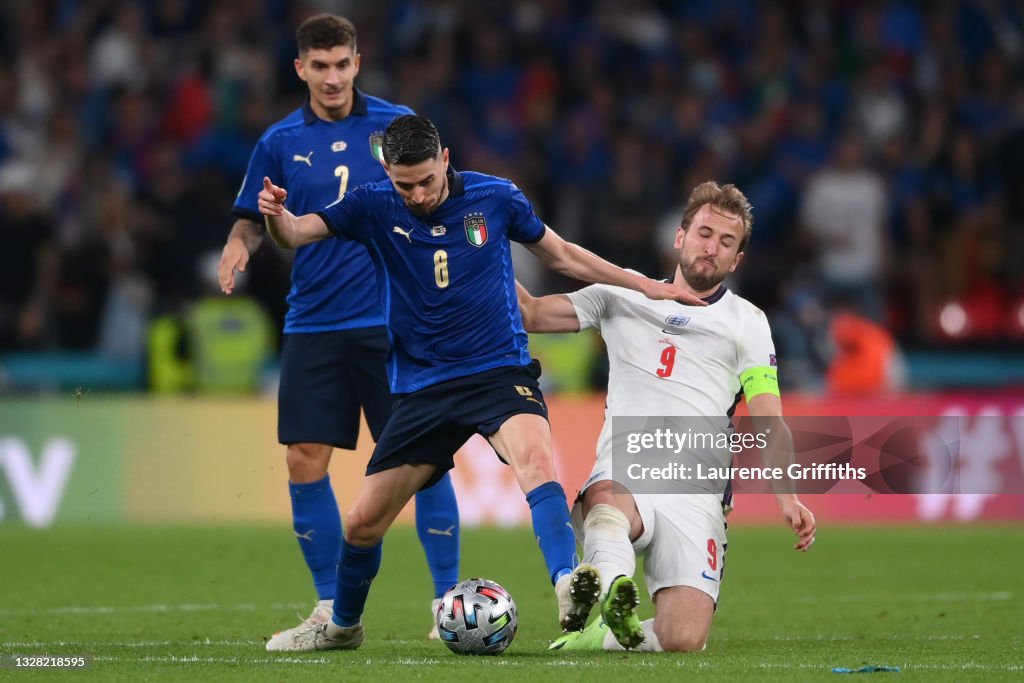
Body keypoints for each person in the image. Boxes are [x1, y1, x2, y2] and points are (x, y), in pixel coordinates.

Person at [257, 114, 706, 651]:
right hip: (423, 387)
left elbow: (561, 254)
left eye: (427, 180)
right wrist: (275, 216)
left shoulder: (497, 197)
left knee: (537, 461)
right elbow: (296, 233)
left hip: (498, 371)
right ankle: (342, 627)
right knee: (362, 525)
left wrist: (642, 285)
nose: (419, 195)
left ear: (445, 159)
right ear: (387, 172)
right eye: (406, 184)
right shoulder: (373, 204)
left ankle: (568, 586)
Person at [216, 15, 460, 647]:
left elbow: (439, 197)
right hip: (314, 322)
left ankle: (447, 603)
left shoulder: (395, 127)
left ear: (358, 63)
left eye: (341, 64)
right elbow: (251, 217)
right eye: (318, 66)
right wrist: (237, 245)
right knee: (303, 458)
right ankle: (330, 609)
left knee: (425, 463)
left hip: (391, 319)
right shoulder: (277, 141)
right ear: (300, 68)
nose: (331, 77)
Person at [519, 181, 816, 652]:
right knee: (607, 501)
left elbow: (768, 417)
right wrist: (481, 250)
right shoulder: (621, 294)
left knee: (683, 639)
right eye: (704, 233)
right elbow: (530, 313)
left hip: (696, 490)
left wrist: (787, 496)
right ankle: (613, 587)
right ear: (680, 237)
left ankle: (600, 637)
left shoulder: (748, 322)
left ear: (736, 260)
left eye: (726, 243)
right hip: (627, 469)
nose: (711, 248)